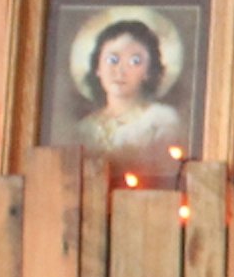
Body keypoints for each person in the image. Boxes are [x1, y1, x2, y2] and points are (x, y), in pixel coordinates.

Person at [68, 14, 188, 184]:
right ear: (97, 67)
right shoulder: (85, 129)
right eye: (112, 60)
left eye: (135, 61)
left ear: (148, 70)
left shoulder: (161, 120)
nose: (120, 70)